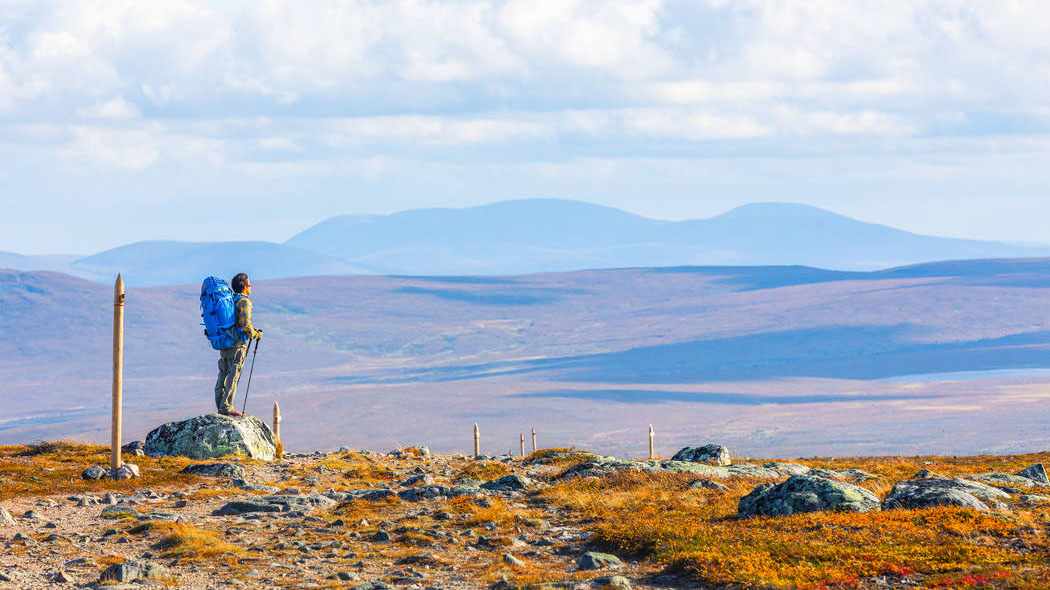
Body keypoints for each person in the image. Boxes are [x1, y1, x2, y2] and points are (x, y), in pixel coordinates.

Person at [214, 272, 262, 416]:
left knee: (223, 373)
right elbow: (246, 324)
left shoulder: (230, 300)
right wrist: (256, 335)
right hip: (237, 344)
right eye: (249, 284)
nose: (250, 287)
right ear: (244, 287)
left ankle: (220, 404)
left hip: (224, 343)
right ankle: (227, 407)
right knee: (233, 374)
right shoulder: (244, 302)